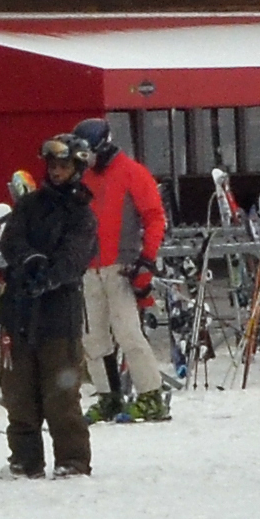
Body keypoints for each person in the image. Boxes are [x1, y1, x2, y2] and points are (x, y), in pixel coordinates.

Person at [0, 147, 97, 480]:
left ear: (77, 168)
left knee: (61, 396)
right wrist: (29, 263)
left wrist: (51, 276)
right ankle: (25, 460)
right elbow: (11, 241)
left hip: (59, 316)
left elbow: (76, 255)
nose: (56, 172)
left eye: (63, 166)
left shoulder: (81, 213)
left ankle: (72, 460)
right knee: (18, 393)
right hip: (19, 310)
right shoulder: (28, 205)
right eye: (52, 166)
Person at [77, 126, 174, 422]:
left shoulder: (132, 172)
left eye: (89, 152)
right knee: (93, 337)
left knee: (128, 332)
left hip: (122, 266)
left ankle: (151, 394)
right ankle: (108, 394)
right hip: (89, 267)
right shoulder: (83, 178)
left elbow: (155, 216)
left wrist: (147, 257)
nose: (87, 159)